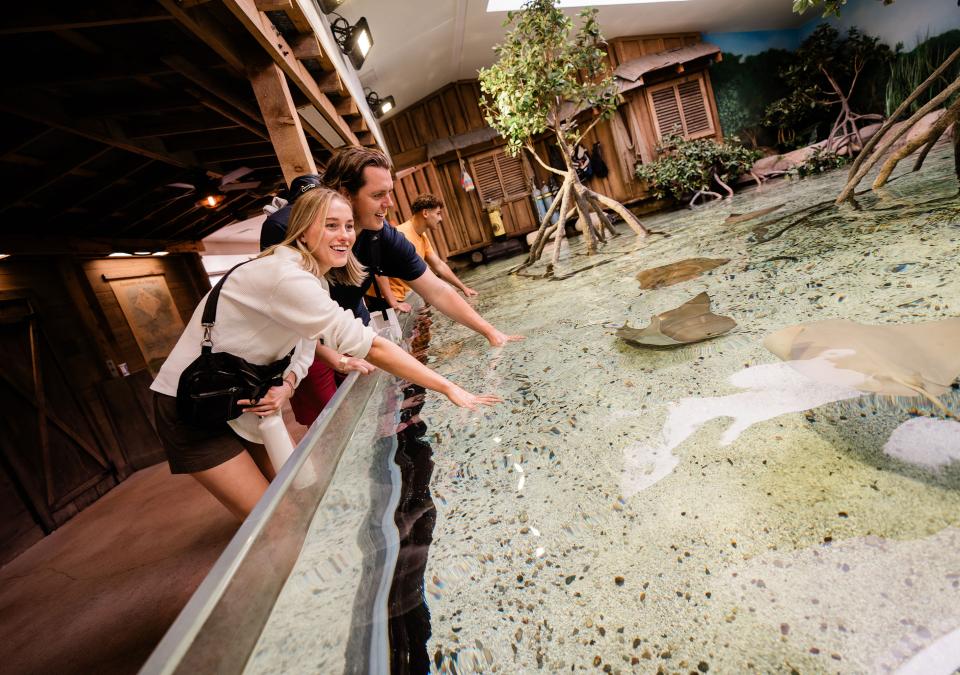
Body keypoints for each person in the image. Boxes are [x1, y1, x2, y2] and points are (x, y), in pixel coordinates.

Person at [151, 187, 501, 520]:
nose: (345, 235)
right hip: (188, 406)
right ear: (302, 232)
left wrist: (288, 384)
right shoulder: (284, 276)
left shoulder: (313, 278)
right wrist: (448, 387)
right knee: (276, 518)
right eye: (330, 225)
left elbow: (305, 344)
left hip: (242, 399)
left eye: (348, 225)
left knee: (300, 496)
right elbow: (372, 344)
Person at [365, 193, 477, 314]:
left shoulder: (421, 235)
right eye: (438, 213)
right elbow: (379, 271)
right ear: (425, 213)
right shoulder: (401, 235)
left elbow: (438, 264)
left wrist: (463, 288)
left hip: (400, 296)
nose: (441, 219)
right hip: (381, 298)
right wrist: (393, 302)